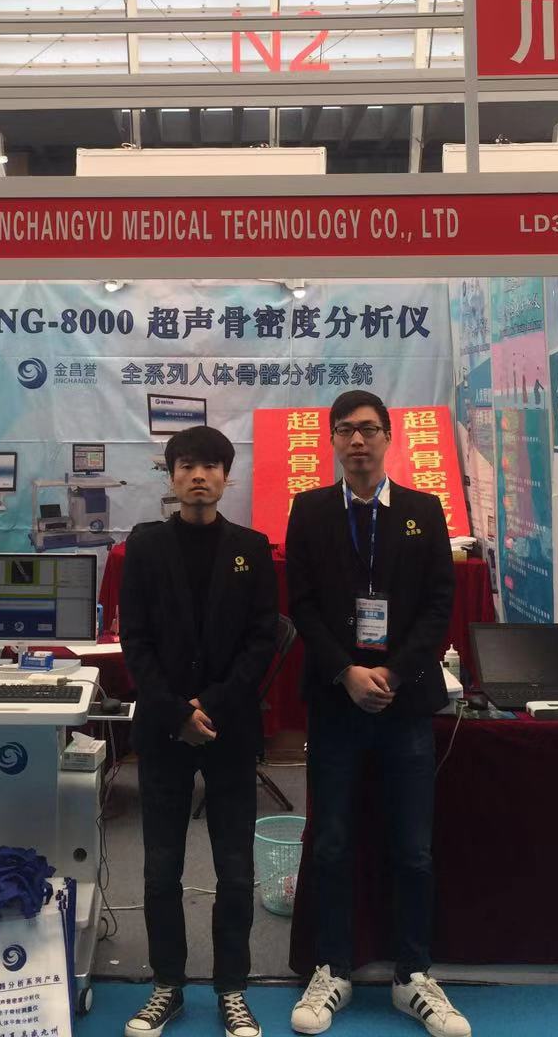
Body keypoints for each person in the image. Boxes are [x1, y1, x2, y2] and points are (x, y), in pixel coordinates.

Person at [285, 391, 470, 1037]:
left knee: (413, 849)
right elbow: (301, 604)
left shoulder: (423, 511)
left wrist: (390, 673)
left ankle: (412, 976)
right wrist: (347, 672)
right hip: (336, 701)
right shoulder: (310, 511)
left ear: (389, 437)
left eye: (368, 429)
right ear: (333, 441)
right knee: (332, 842)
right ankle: (333, 968)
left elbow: (439, 605)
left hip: (404, 701)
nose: (357, 441)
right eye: (345, 430)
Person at [120, 425, 278, 1037]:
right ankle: (168, 985)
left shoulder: (251, 548)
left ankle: (232, 989)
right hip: (164, 729)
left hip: (229, 728)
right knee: (161, 868)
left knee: (235, 870)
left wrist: (207, 706)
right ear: (171, 475)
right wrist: (175, 713)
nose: (198, 476)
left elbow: (261, 641)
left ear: (226, 477)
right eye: (186, 465)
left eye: (211, 466)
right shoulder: (144, 546)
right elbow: (135, 640)